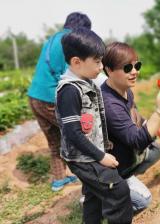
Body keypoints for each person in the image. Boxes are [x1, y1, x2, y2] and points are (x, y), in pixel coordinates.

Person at [56, 28, 133, 224]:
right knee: (118, 191)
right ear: (76, 62)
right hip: (82, 158)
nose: (101, 67)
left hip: (91, 153)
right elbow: (73, 133)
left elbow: (93, 119)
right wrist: (102, 157)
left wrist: (104, 142)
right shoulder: (69, 91)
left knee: (94, 198)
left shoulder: (86, 82)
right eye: (97, 61)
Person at [101, 42, 160, 213]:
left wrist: (150, 124)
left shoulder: (124, 89)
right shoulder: (110, 105)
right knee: (143, 202)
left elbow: (135, 115)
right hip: (108, 167)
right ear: (109, 70)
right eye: (127, 68)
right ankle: (101, 198)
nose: (134, 72)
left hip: (122, 154)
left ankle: (125, 177)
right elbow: (137, 142)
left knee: (156, 149)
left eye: (136, 65)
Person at [27, 12, 92, 191]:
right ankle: (91, 178)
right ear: (81, 30)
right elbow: (70, 77)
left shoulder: (53, 39)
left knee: (54, 142)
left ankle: (59, 180)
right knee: (80, 133)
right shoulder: (71, 42)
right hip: (50, 98)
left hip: (34, 97)